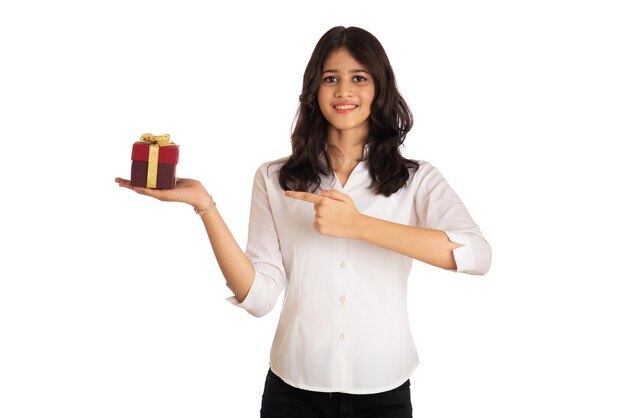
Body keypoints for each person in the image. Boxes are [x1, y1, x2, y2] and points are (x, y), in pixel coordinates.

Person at [116, 25, 491, 418]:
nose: (344, 91)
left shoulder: (418, 179)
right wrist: (204, 206)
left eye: (359, 78)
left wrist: (358, 225)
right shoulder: (274, 178)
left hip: (384, 392)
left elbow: (477, 256)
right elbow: (258, 298)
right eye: (331, 79)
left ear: (379, 89)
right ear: (314, 91)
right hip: (291, 393)